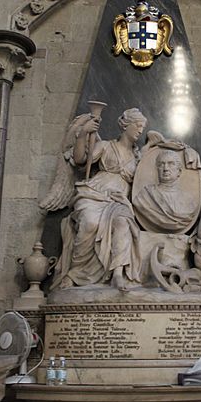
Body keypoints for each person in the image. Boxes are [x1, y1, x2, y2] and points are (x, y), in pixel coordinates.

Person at [50, 108, 147, 291]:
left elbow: (147, 178)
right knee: (89, 223)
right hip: (94, 193)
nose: (141, 131)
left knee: (122, 223)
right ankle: (75, 274)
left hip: (119, 200)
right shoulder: (106, 146)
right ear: (126, 125)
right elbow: (80, 160)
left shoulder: (138, 156)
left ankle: (118, 274)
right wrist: (84, 133)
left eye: (143, 127)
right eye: (138, 125)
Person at [133, 149, 197, 233]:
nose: (165, 168)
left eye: (171, 164)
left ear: (179, 171)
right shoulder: (145, 195)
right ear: (157, 169)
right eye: (161, 164)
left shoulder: (189, 201)